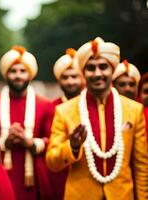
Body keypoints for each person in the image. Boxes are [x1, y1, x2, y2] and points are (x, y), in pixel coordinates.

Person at [46, 37, 148, 200]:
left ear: (112, 70)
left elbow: (142, 166)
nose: (97, 73)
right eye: (91, 68)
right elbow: (52, 162)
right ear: (83, 72)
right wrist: (72, 146)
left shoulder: (134, 110)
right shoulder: (65, 111)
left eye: (103, 67)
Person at [0, 46, 53, 200]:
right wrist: (3, 143)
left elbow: (53, 140)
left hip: (35, 179)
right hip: (1, 175)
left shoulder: (45, 104)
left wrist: (30, 143)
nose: (18, 76)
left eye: (23, 71)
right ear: (6, 74)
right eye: (13, 71)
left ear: (30, 74)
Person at [49, 48, 83, 200]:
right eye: (65, 77)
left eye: (74, 76)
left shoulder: (92, 106)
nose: (70, 81)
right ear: (58, 80)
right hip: (56, 176)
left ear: (83, 78)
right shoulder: (51, 108)